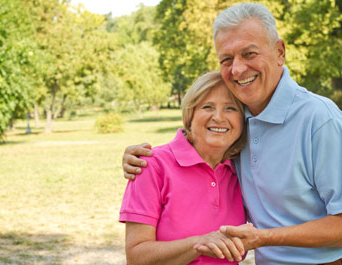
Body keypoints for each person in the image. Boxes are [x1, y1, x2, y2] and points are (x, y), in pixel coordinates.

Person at [122, 3, 342, 265]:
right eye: (226, 59)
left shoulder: (319, 118)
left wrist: (263, 238)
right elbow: (201, 137)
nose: (237, 69)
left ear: (279, 52)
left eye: (249, 53)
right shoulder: (242, 122)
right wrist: (145, 158)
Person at [119, 71, 248, 265]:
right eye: (207, 107)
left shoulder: (243, 168)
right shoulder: (151, 165)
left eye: (231, 108)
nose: (218, 117)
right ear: (190, 115)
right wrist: (199, 243)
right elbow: (136, 257)